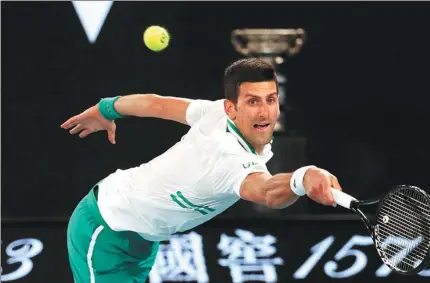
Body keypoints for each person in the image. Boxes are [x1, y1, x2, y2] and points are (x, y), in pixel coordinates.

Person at [61, 58, 343, 283]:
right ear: (231, 109)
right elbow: (267, 192)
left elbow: (156, 104)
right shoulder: (227, 156)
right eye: (253, 101)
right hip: (106, 228)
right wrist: (302, 177)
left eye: (271, 99)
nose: (265, 112)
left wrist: (106, 109)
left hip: (142, 239)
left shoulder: (216, 113)